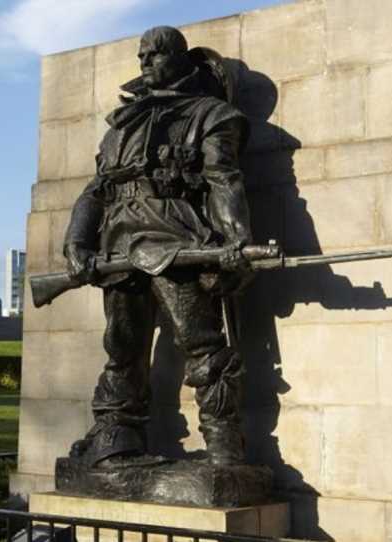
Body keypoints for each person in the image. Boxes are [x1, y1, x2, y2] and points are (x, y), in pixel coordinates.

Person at [63, 26, 253, 467]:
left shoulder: (211, 114)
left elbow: (223, 179)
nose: (145, 62)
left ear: (183, 60)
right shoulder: (121, 126)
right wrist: (76, 241)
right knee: (121, 347)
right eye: (141, 56)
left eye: (156, 55)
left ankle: (225, 449)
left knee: (201, 344)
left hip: (175, 241)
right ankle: (115, 440)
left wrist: (236, 239)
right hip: (117, 248)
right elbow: (96, 190)